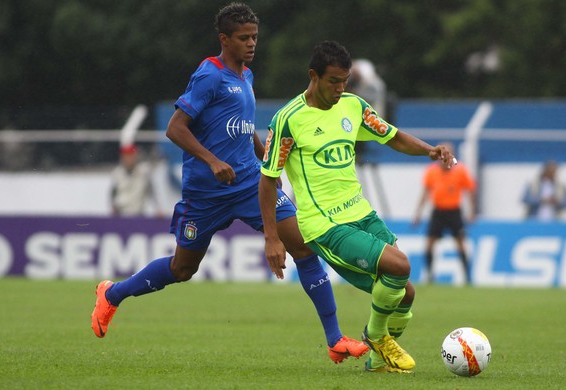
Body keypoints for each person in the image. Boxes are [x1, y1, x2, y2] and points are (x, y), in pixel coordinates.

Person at [91, 3, 367, 364]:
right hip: (205, 194)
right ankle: (112, 295)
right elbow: (175, 128)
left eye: (254, 36)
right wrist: (212, 160)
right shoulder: (209, 74)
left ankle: (335, 339)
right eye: (243, 38)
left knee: (303, 246)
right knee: (182, 269)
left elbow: (241, 124)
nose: (252, 43)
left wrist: (266, 158)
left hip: (250, 184)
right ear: (225, 39)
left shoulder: (246, 76)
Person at [258, 40, 455, 373]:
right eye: (334, 81)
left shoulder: (353, 106)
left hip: (361, 213)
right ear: (313, 76)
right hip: (325, 225)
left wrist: (428, 151)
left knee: (406, 295)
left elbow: (390, 136)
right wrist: (272, 237)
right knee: (399, 265)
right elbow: (267, 179)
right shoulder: (288, 120)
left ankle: (378, 361)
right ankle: (375, 335)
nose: (340, 88)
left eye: (345, 81)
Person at [412, 142, 477, 284]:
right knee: (429, 244)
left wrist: (472, 211)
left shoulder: (460, 171)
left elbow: (470, 191)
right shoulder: (431, 172)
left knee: (460, 244)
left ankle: (467, 277)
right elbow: (425, 193)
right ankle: (430, 276)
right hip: (438, 212)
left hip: (454, 212)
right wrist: (418, 213)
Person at [110, 144, 162, 217]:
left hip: (138, 215)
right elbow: (113, 194)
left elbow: (151, 192)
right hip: (121, 215)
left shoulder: (143, 172)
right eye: (126, 156)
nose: (129, 159)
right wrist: (113, 209)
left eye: (131, 156)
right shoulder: (117, 174)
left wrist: (157, 208)